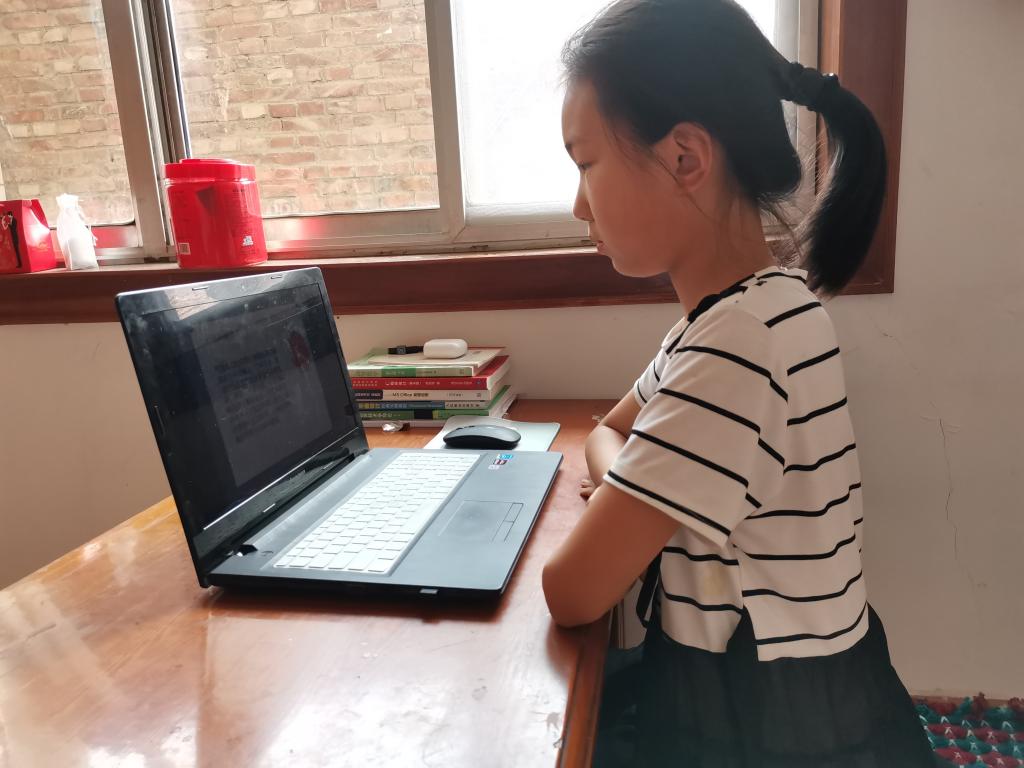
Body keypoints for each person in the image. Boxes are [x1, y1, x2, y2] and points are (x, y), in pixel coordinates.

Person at [540, 1, 935, 765]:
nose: (578, 204)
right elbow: (610, 430)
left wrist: (627, 497)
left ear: (686, 157)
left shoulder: (737, 345)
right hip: (795, 688)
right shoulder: (755, 309)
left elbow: (573, 589)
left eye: (586, 164)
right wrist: (633, 489)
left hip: (764, 721)